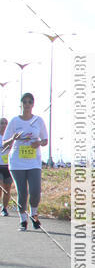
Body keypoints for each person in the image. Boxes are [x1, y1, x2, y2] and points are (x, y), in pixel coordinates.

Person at [2, 93, 48, 231]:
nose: (27, 104)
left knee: (35, 191)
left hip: (34, 161)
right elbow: (4, 143)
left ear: (33, 104)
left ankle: (34, 215)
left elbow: (45, 140)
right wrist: (13, 139)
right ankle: (23, 220)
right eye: (25, 102)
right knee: (22, 192)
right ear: (21, 104)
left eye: (29, 102)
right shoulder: (14, 121)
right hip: (17, 162)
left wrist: (39, 142)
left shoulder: (38, 120)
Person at [0, 118, 12, 216]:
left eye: (5, 123)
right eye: (2, 123)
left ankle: (4, 208)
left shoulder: (11, 137)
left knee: (7, 188)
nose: (4, 125)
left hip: (9, 166)